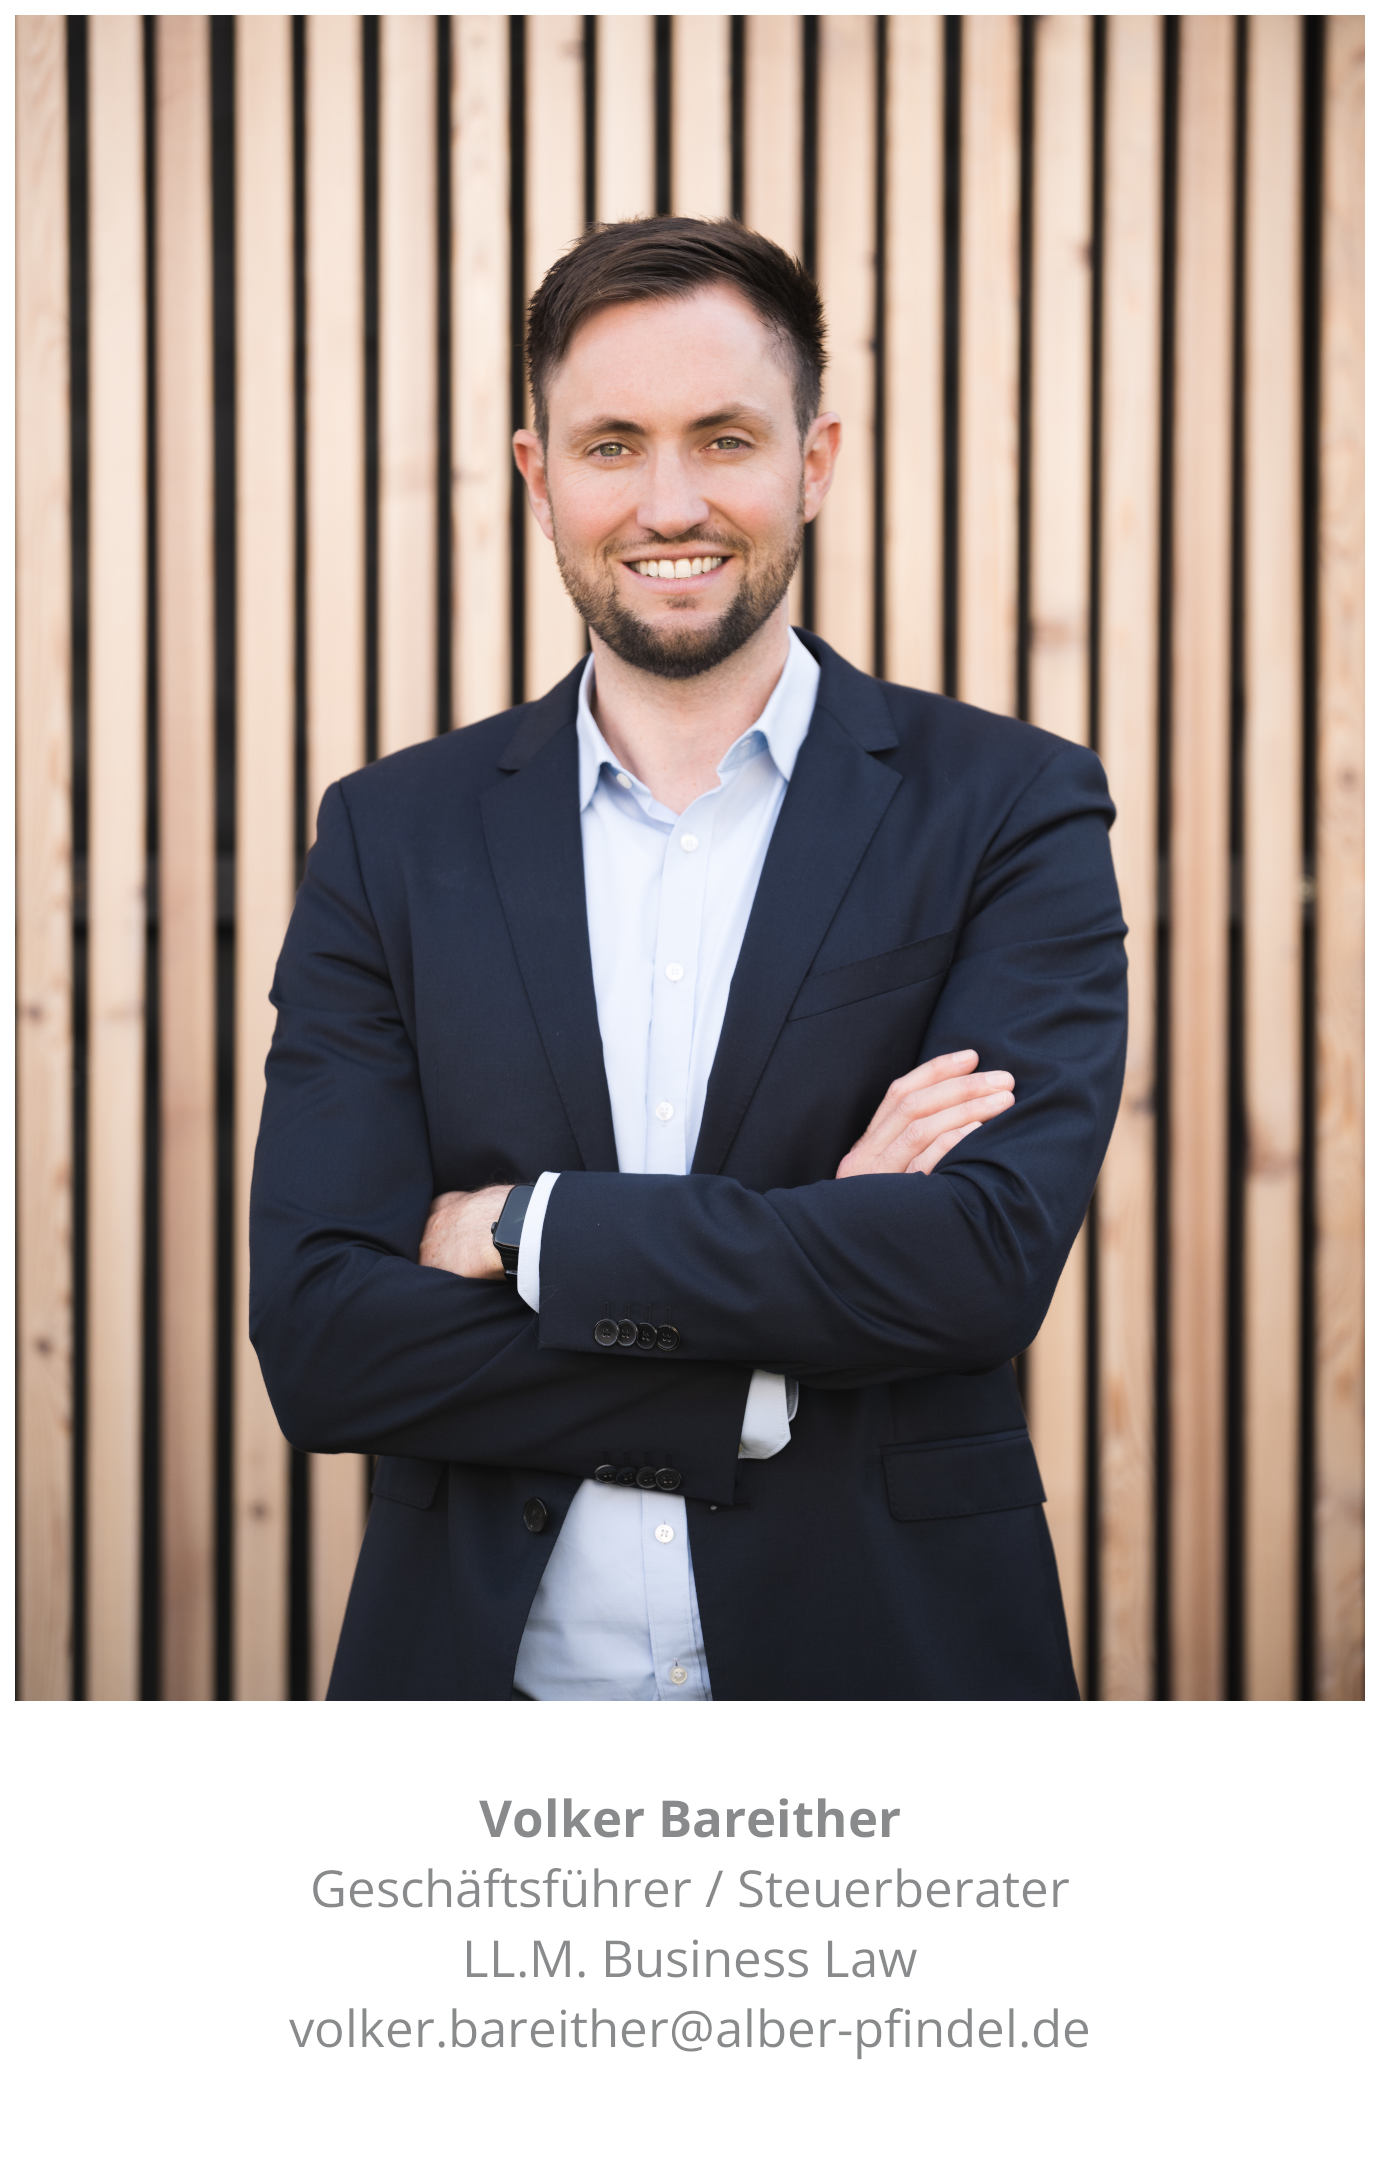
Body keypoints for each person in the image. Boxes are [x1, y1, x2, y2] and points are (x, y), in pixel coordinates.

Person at [250, 217, 1126, 1701]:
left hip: (892, 1695)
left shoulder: (1008, 808)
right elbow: (327, 1341)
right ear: (539, 475)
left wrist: (527, 1230)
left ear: (814, 462)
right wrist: (773, 1336)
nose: (671, 503)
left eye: (725, 439)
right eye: (612, 446)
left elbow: (974, 1266)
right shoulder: (391, 837)